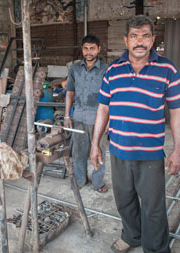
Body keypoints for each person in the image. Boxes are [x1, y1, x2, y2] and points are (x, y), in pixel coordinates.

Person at [90, 15, 180, 253]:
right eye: (134, 36)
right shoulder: (113, 71)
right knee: (124, 200)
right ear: (126, 40)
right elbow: (103, 108)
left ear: (152, 39)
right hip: (119, 150)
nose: (140, 42)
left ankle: (155, 248)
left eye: (145, 36)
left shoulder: (167, 69)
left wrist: (178, 149)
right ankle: (132, 235)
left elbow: (176, 110)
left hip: (150, 153)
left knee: (153, 206)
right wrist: (95, 144)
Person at [64, 35, 109, 192]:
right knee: (78, 152)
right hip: (79, 117)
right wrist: (67, 115)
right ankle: (80, 179)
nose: (89, 52)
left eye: (92, 48)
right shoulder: (75, 69)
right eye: (86, 48)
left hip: (99, 119)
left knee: (99, 151)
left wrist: (109, 122)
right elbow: (69, 92)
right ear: (82, 49)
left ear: (98, 49)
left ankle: (98, 182)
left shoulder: (106, 69)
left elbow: (112, 98)